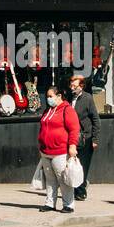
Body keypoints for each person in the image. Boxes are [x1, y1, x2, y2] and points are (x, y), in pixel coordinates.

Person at [37, 84, 80, 213]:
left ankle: (69, 205)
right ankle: (50, 203)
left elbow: (74, 129)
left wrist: (72, 146)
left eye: (51, 96)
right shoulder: (48, 110)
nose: (48, 99)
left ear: (59, 96)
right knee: (50, 180)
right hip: (46, 151)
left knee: (63, 179)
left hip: (60, 152)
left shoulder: (67, 110)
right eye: (47, 96)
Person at [70, 75, 100, 201]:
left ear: (81, 86)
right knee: (73, 165)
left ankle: (81, 192)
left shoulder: (87, 98)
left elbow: (95, 119)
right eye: (71, 85)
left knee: (83, 165)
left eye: (75, 86)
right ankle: (76, 189)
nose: (72, 88)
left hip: (85, 137)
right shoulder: (69, 98)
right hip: (72, 136)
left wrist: (95, 139)